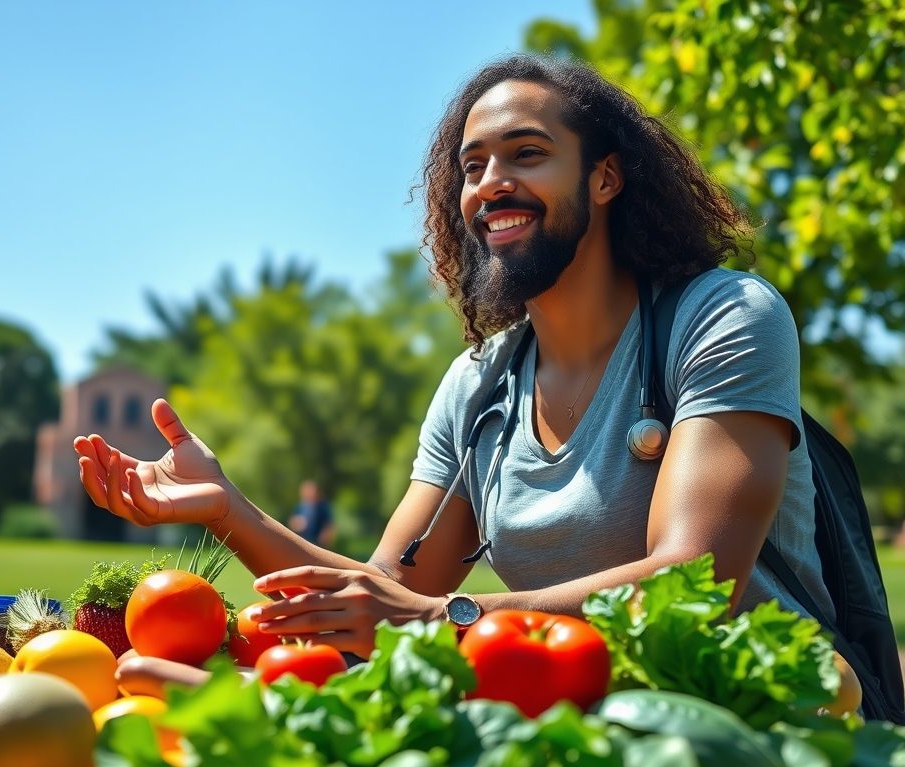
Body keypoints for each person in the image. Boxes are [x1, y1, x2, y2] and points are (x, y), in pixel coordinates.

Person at [75, 54, 832, 666]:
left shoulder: (722, 317)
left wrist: (451, 617)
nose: (491, 183)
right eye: (473, 167)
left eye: (527, 154)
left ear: (605, 177)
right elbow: (382, 597)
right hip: (575, 726)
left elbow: (695, 582)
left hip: (765, 725)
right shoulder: (481, 385)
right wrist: (225, 507)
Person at [288, 480, 335, 549]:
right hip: (302, 542)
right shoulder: (300, 506)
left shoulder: (323, 506)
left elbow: (329, 525)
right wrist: (297, 524)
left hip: (318, 544)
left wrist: (325, 538)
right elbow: (292, 523)